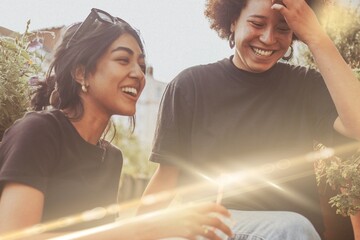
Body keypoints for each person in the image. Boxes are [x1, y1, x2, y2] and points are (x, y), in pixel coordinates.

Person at [0, 8, 233, 240]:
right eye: (123, 60)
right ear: (81, 73)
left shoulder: (111, 158)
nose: (139, 74)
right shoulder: (39, 132)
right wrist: (146, 229)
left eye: (141, 65)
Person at [140, 0, 360, 239]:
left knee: (293, 228)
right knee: (291, 227)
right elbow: (167, 177)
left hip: (293, 233)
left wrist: (318, 37)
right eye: (257, 24)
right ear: (233, 21)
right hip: (214, 229)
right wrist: (135, 232)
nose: (268, 38)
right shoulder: (190, 85)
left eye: (283, 29)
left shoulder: (306, 87)